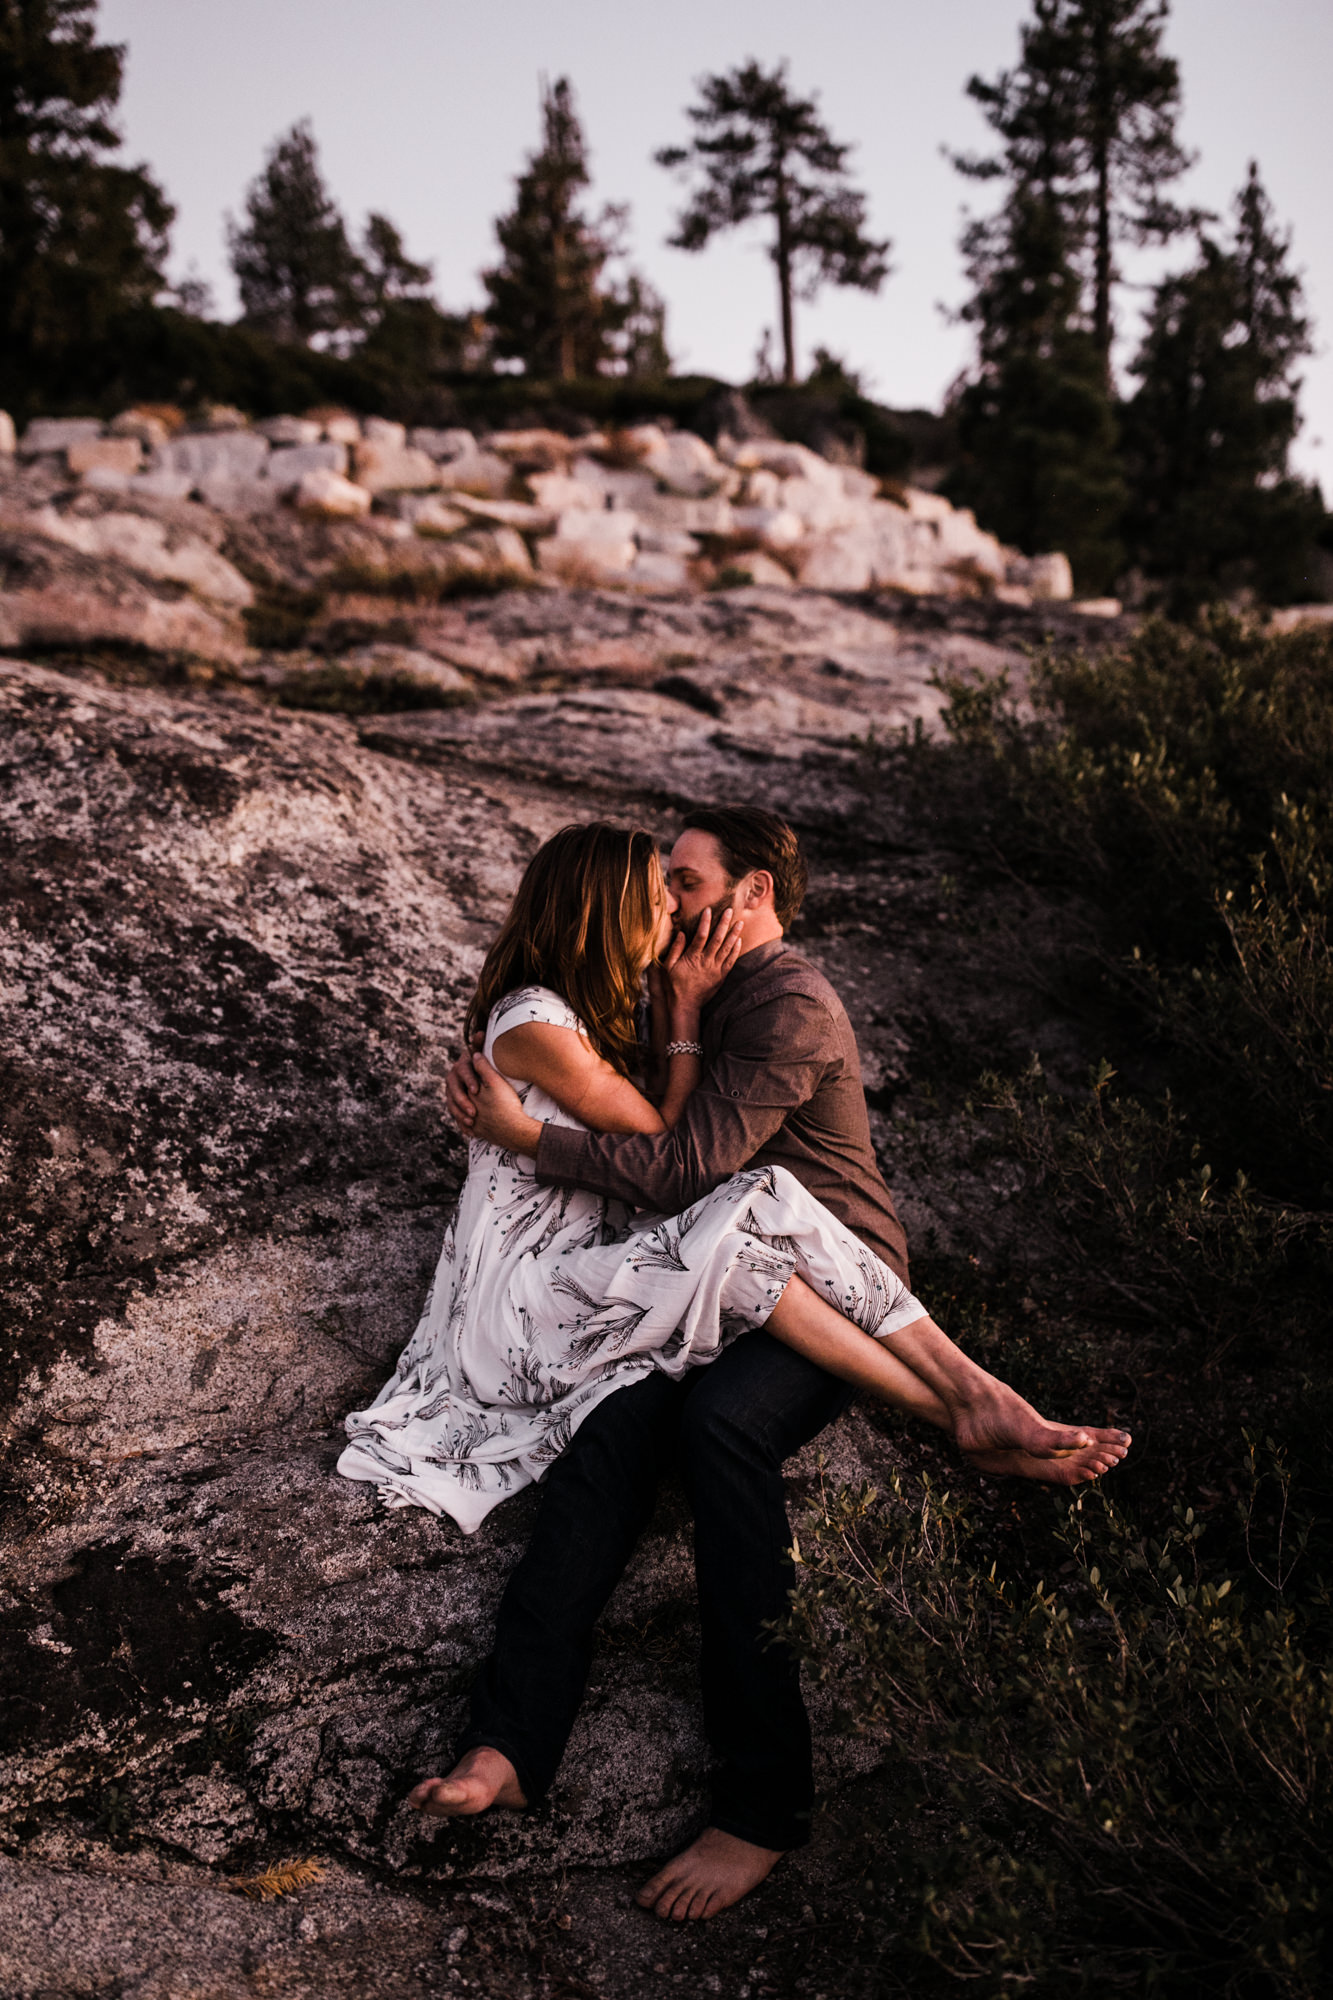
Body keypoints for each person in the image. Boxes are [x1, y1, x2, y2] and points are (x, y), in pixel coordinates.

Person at [390, 810, 1131, 1920]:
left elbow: (684, 1165)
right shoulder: (650, 983)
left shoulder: (786, 999)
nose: (671, 903)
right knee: (607, 1444)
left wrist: (546, 1125)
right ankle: (504, 1739)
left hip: (836, 1290)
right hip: (703, 1273)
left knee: (719, 1431)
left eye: (686, 883)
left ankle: (764, 1804)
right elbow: (648, 1143)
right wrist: (666, 1017)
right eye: (662, 885)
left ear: (754, 893)